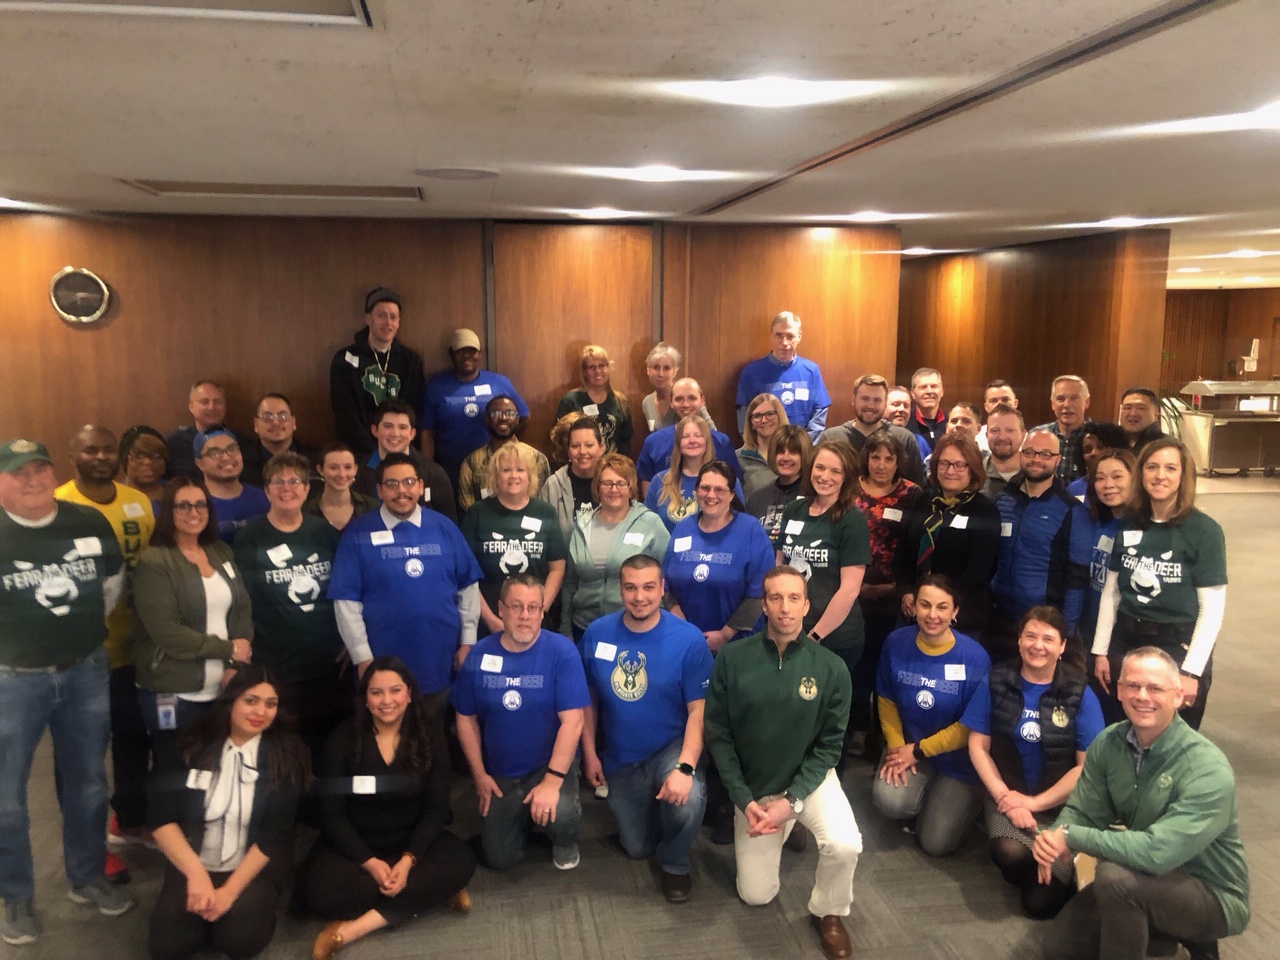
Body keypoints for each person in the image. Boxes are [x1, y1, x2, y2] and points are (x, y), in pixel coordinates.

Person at [1035, 647, 1249, 960]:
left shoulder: (1207, 769)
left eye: (1155, 688)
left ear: (1177, 696)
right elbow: (1084, 809)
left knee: (1114, 878)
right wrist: (1055, 837)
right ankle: (1161, 934)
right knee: (1059, 949)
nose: (1142, 696)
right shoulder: (1109, 743)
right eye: (1133, 685)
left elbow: (1157, 853)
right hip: (1147, 875)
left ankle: (1195, 934)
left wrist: (1071, 836)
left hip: (1211, 892)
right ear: (1119, 690)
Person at [0, 438, 130, 945]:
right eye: (19, 472)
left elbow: (113, 582)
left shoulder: (86, 522)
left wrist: (78, 632)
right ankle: (16, 896)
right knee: (7, 797)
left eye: (40, 469)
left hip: (85, 670)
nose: (32, 480)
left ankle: (87, 876)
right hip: (12, 681)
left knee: (89, 781)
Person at [704, 567, 861, 960]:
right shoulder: (733, 658)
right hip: (756, 789)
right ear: (764, 605)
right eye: (776, 598)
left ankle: (829, 912)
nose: (785, 607)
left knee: (845, 844)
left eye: (794, 598)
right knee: (757, 896)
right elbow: (719, 734)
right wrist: (744, 799)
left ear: (807, 606)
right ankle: (787, 826)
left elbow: (829, 747)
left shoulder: (832, 669)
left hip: (809, 781)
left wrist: (791, 801)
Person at [306, 657, 475, 960]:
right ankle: (428, 895)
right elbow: (331, 814)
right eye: (376, 693)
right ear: (365, 699)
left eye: (395, 691)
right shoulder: (341, 739)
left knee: (462, 863)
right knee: (318, 890)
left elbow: (436, 810)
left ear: (409, 695)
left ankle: (348, 931)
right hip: (356, 846)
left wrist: (409, 860)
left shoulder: (430, 734)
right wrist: (370, 862)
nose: (387, 701)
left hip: (412, 843)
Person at [146, 665, 310, 960]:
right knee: (167, 948)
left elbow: (275, 836)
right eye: (251, 700)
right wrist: (196, 875)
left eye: (270, 704)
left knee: (238, 942)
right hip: (192, 863)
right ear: (231, 701)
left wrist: (228, 893)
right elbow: (161, 818)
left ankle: (256, 907)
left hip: (252, 866)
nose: (260, 711)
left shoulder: (288, 755)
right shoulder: (190, 745)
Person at [580, 556, 714, 903]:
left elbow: (699, 711)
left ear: (662, 589)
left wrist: (685, 767)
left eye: (649, 587)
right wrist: (590, 753)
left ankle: (675, 863)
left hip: (671, 746)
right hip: (621, 756)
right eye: (631, 587)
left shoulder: (689, 639)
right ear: (620, 589)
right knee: (637, 848)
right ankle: (655, 812)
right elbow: (588, 699)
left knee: (688, 800)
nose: (640, 596)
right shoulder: (597, 633)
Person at [55, 426, 157, 872]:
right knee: (83, 755)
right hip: (81, 652)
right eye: (90, 448)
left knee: (133, 740)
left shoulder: (138, 502)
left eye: (107, 449)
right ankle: (90, 851)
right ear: (72, 453)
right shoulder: (59, 504)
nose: (100, 456)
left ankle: (131, 822)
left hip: (136, 644)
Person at [965, 607, 1105, 919]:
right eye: (1030, 636)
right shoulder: (996, 680)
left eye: (1048, 638)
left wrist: (1035, 803)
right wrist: (1005, 797)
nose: (1037, 645)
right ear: (1018, 641)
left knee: (1040, 907)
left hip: (1061, 804)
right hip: (1008, 796)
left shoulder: (1080, 692)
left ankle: (1063, 863)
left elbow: (1086, 768)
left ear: (1062, 646)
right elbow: (978, 745)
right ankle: (1045, 864)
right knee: (1009, 854)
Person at [453, 576, 590, 870]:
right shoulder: (480, 654)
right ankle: (523, 816)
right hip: (501, 771)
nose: (525, 616)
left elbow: (574, 722)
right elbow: (465, 718)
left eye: (532, 608)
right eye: (516, 607)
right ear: (501, 609)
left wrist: (552, 781)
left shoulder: (562, 652)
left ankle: (564, 840)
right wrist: (479, 775)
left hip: (549, 766)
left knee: (562, 812)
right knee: (500, 860)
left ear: (543, 611)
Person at [328, 453, 483, 711]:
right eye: (392, 484)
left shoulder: (445, 528)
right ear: (379, 490)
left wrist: (468, 641)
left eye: (409, 482)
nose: (402, 491)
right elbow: (346, 602)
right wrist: (362, 656)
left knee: (434, 741)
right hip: (381, 667)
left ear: (421, 487)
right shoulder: (358, 534)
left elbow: (468, 587)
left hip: (439, 662)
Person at [1090, 439, 1226, 731]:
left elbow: (1212, 611)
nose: (1160, 475)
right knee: (1120, 731)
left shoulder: (1205, 531)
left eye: (1170, 468)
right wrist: (1101, 651)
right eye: (1152, 467)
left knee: (1169, 738)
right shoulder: (1130, 524)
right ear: (1141, 473)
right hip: (1126, 641)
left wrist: (1192, 671)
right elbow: (1111, 593)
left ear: (1183, 475)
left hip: (1177, 646)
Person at [132, 477, 254, 769]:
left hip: (222, 688)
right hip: (174, 690)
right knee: (175, 772)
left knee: (216, 769)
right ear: (168, 513)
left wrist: (235, 666)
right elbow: (168, 633)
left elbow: (241, 609)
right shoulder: (154, 563)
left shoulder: (220, 552)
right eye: (183, 506)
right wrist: (228, 650)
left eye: (200, 504)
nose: (193, 512)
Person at [232, 452, 345, 765]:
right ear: (266, 490)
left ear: (307, 489)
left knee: (326, 747)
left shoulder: (323, 533)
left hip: (328, 663)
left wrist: (349, 640)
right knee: (285, 748)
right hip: (277, 666)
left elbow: (344, 590)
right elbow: (241, 601)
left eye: (294, 481)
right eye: (277, 482)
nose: (287, 488)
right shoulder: (250, 539)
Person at [872, 575, 990, 857]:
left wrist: (920, 751)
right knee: (889, 802)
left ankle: (961, 802)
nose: (933, 615)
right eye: (925, 605)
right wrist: (897, 746)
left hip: (957, 761)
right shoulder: (896, 642)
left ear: (955, 612)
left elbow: (970, 725)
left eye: (942, 607)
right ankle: (926, 796)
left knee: (936, 844)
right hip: (909, 748)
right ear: (914, 607)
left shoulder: (974, 657)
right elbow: (886, 700)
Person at [776, 442, 871, 700]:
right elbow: (780, 569)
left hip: (833, 636)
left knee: (823, 711)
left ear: (847, 477)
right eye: (820, 467)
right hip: (791, 628)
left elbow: (850, 589)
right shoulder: (795, 510)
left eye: (835, 471)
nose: (825, 477)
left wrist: (814, 636)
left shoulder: (852, 519)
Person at [850, 430, 924, 751]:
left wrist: (901, 587)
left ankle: (881, 734)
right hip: (851, 592)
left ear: (898, 462)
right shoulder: (850, 488)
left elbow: (917, 544)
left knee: (886, 663)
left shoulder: (913, 494)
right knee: (856, 663)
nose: (881, 464)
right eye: (875, 456)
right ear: (865, 457)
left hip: (895, 594)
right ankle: (853, 725)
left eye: (889, 458)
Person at [989, 428, 1088, 662]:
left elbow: (1077, 577)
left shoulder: (1071, 510)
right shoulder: (1004, 499)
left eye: (1045, 454)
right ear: (1022, 454)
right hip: (999, 618)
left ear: (1058, 460)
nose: (1036, 459)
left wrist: (1068, 632)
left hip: (1042, 625)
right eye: (1031, 452)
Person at [897, 435, 1001, 639]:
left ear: (973, 469)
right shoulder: (922, 500)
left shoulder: (985, 511)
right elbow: (903, 551)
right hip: (913, 610)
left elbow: (979, 572)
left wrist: (934, 604)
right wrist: (907, 592)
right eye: (944, 463)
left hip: (960, 616)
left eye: (959, 465)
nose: (950, 471)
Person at [664, 461, 775, 652]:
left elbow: (759, 593)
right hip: (686, 643)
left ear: (732, 494)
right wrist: (681, 625)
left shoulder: (750, 530)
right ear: (696, 491)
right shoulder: (683, 528)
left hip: (739, 645)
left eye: (719, 489)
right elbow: (665, 584)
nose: (711, 495)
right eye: (705, 488)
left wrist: (724, 636)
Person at [460, 441, 567, 637]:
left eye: (520, 469)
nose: (513, 476)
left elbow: (557, 568)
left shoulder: (546, 512)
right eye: (506, 470)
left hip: (534, 621)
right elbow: (467, 575)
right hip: (489, 621)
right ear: (495, 476)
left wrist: (540, 611)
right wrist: (490, 619)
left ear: (530, 477)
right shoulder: (477, 513)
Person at [561, 454, 669, 641]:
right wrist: (565, 628)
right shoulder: (581, 526)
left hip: (636, 626)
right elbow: (570, 583)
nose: (614, 489)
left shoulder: (650, 523)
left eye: (621, 483)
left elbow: (668, 575)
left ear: (630, 488)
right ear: (598, 487)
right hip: (584, 627)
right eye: (607, 483)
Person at [422, 327, 529, 487]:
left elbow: (524, 417)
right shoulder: (437, 385)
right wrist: (429, 470)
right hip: (450, 471)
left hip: (493, 468)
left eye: (472, 351)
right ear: (451, 353)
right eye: (461, 350)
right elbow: (427, 433)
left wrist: (505, 441)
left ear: (480, 354)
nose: (467, 355)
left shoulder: (499, 383)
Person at [330, 287, 426, 462]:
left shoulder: (411, 361)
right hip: (359, 454)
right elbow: (346, 415)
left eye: (393, 317)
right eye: (381, 315)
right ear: (368, 319)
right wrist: (374, 452)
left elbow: (413, 411)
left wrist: (395, 445)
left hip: (400, 451)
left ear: (399, 322)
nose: (388, 323)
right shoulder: (344, 359)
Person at [1069, 449, 1136, 666]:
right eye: (1100, 478)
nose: (1108, 484)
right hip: (1092, 632)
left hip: (1126, 637)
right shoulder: (1097, 523)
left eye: (1117, 476)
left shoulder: (1142, 530)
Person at [352, 399, 457, 523]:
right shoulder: (357, 474)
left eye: (402, 427)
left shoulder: (434, 473)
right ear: (375, 430)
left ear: (412, 433)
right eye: (388, 426)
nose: (395, 434)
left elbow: (449, 524)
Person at [735, 311, 831, 440]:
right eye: (779, 335)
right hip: (764, 450)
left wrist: (803, 445)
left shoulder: (811, 371)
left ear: (799, 337)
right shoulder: (751, 372)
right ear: (771, 336)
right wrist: (757, 446)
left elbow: (820, 411)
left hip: (802, 450)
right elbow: (744, 417)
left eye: (790, 336)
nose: (784, 342)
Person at [818, 373, 926, 486]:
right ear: (854, 400)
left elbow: (917, 488)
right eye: (865, 399)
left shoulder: (904, 438)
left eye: (877, 400)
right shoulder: (831, 438)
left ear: (885, 404)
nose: (871, 405)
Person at [636, 378, 739, 494]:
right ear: (671, 402)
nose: (686, 404)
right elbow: (649, 499)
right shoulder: (653, 442)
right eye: (679, 399)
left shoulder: (722, 442)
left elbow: (733, 489)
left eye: (692, 398)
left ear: (702, 400)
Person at [646, 417, 743, 533]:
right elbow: (647, 526)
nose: (692, 440)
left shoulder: (727, 480)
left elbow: (740, 525)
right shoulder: (660, 481)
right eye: (685, 436)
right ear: (678, 442)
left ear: (707, 441)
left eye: (698, 435)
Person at [456, 395, 550, 513]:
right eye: (496, 413)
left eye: (510, 413)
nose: (504, 418)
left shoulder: (536, 458)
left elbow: (541, 505)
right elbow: (469, 510)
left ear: (517, 419)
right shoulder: (471, 462)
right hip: (486, 527)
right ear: (487, 419)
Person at [555, 344, 635, 457]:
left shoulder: (620, 401)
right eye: (592, 367)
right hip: (581, 464)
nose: (598, 371)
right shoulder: (571, 400)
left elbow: (625, 442)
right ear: (584, 372)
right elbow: (561, 441)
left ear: (608, 368)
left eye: (602, 365)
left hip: (611, 469)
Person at [192, 429, 269, 543]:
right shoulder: (194, 506)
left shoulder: (262, 497)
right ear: (200, 463)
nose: (226, 457)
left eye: (232, 449)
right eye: (215, 453)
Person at [165, 380, 250, 480]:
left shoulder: (242, 443)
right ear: (191, 407)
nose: (211, 407)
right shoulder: (174, 444)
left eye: (217, 402)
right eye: (205, 402)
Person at [540, 415, 605, 543]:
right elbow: (542, 533)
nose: (582, 451)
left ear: (601, 448)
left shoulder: (615, 483)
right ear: (569, 451)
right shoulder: (553, 485)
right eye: (575, 446)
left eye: (589, 445)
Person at [745, 424, 811, 546]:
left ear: (804, 455)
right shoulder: (756, 498)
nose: (785, 458)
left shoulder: (813, 497)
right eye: (780, 452)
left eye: (793, 452)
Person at [240, 392, 317, 488]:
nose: (276, 423)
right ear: (256, 424)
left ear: (293, 423)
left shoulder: (314, 461)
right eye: (267, 417)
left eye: (283, 417)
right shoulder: (241, 464)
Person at [304, 441, 379, 532]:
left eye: (348, 467)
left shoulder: (372, 507)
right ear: (320, 470)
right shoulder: (305, 511)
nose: (342, 474)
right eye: (333, 467)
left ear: (355, 469)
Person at [641, 342, 716, 432]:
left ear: (675, 371)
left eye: (666, 368)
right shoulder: (647, 402)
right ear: (648, 370)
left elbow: (713, 434)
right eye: (656, 367)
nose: (660, 374)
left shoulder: (689, 398)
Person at [1036, 375, 1092, 483]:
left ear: (1087, 402)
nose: (1067, 404)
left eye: (1074, 398)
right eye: (1060, 399)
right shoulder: (1037, 435)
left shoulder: (1098, 438)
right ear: (1052, 404)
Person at [737, 393, 788, 499]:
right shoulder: (738, 458)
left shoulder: (794, 454)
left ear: (780, 416)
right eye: (757, 416)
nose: (764, 420)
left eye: (770, 414)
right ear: (751, 423)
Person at [1065, 421, 1129, 497]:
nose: (1094, 453)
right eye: (1087, 449)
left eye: (1101, 447)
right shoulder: (1074, 489)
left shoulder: (1129, 483)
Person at [981, 403, 1026, 500]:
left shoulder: (1037, 473)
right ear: (986, 435)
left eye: (1010, 430)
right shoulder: (974, 474)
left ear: (1023, 435)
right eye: (995, 430)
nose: (1002, 437)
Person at [121, 426, 170, 510]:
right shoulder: (111, 495)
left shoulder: (178, 493)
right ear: (125, 459)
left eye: (156, 456)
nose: (148, 462)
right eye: (139, 456)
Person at [906, 367, 947, 454]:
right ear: (913, 394)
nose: (929, 391)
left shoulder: (951, 423)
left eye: (934, 386)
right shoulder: (905, 422)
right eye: (923, 387)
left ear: (942, 391)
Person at [976, 379, 1019, 453]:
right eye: (993, 401)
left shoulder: (1029, 441)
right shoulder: (977, 439)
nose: (1000, 404)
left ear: (1015, 404)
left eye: (1005, 400)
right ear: (986, 407)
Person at [1119, 386, 1166, 454]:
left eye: (1141, 408)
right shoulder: (1110, 445)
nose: (1133, 414)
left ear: (1156, 414)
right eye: (1127, 408)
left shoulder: (1167, 446)